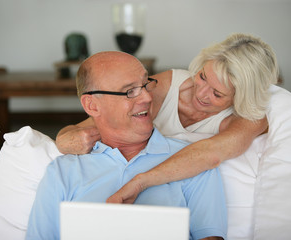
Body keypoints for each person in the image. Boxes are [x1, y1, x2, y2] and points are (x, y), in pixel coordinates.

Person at [55, 33, 279, 204]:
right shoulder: (167, 85)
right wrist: (64, 140)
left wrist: (140, 182)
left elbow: (211, 154)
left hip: (170, 195)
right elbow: (82, 127)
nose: (201, 93)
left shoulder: (249, 117)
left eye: (217, 93)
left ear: (241, 96)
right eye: (202, 77)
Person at [25, 51, 227, 240]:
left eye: (146, 84)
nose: (148, 97)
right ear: (92, 105)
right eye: (130, 91)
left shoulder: (194, 161)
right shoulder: (62, 171)